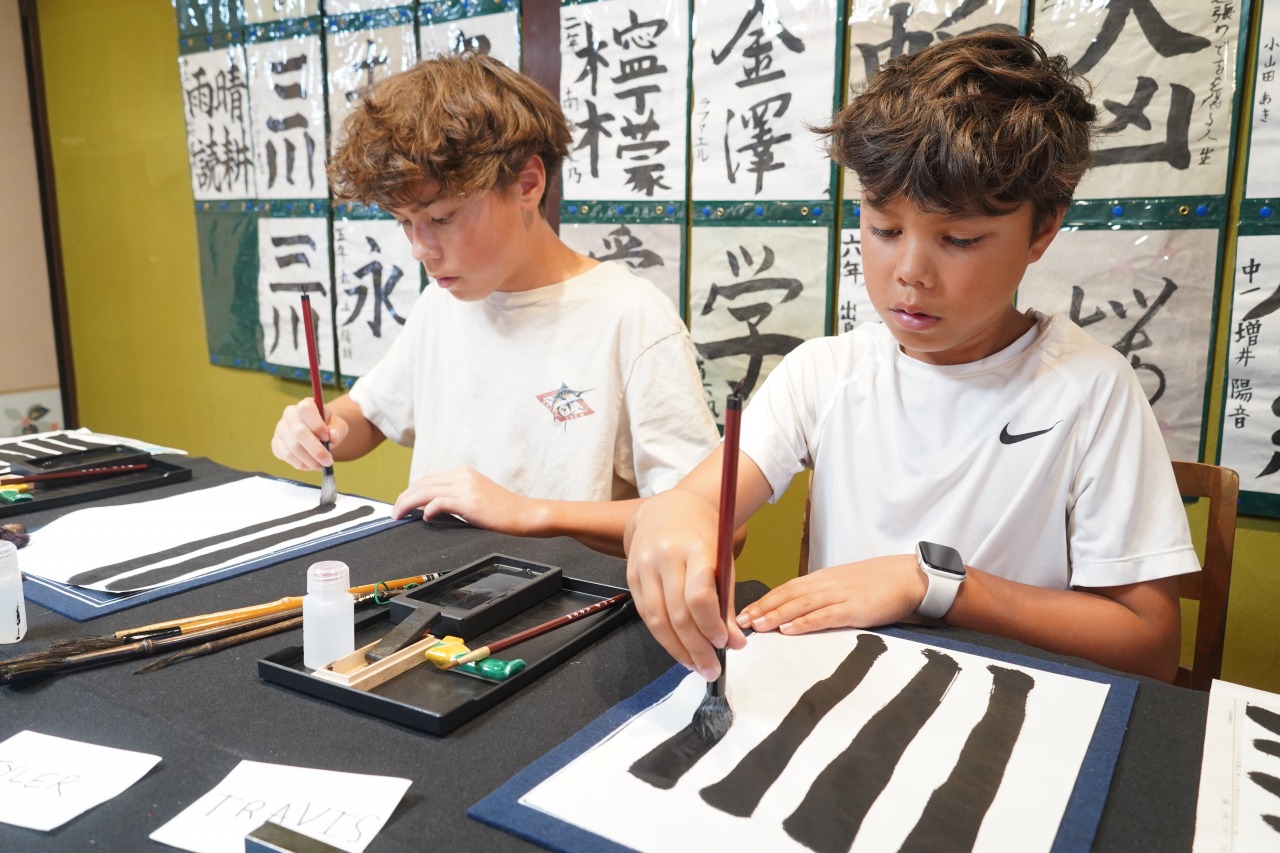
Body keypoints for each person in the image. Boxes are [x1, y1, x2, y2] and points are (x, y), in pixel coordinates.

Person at [624, 32, 1200, 682]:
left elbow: (1150, 643)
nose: (911, 273)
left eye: (959, 238)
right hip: (839, 697)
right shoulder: (828, 370)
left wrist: (933, 581)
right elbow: (699, 503)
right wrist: (672, 515)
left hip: (1004, 713)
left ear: (1043, 229)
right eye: (884, 229)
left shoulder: (1090, 387)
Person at [271, 52, 718, 556]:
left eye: (441, 218)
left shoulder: (630, 317)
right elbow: (372, 416)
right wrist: (321, 427)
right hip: (438, 586)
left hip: (565, 604)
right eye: (404, 223)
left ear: (527, 184)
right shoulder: (443, 301)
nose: (421, 249)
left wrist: (531, 513)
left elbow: (715, 523)